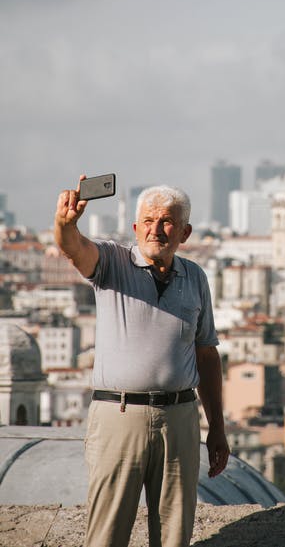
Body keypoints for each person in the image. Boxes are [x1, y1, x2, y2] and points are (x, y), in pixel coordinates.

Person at [54, 175, 230, 547]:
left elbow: (206, 353)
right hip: (119, 416)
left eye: (167, 221)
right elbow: (75, 249)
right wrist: (65, 224)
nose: (157, 229)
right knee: (107, 532)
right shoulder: (113, 262)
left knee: (173, 533)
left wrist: (217, 426)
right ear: (135, 228)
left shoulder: (195, 277)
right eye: (148, 221)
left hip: (180, 417)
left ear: (185, 232)